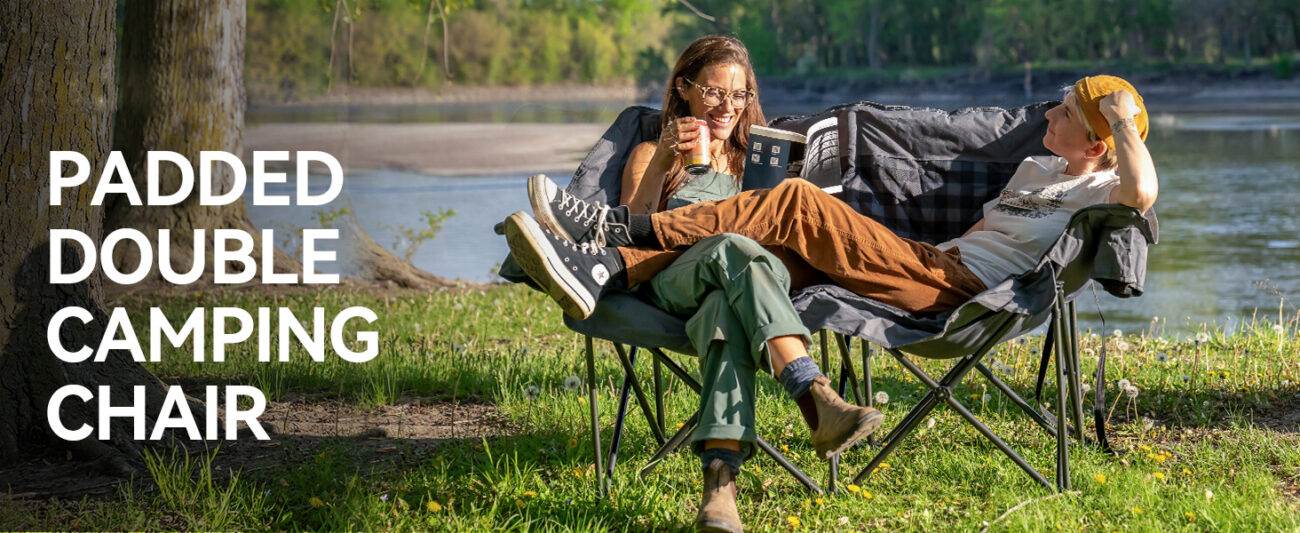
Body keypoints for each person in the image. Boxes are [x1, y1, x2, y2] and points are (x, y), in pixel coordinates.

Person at [513, 35, 883, 533]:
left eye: (739, 95)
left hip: (754, 286)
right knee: (729, 248)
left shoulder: (759, 159)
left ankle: (719, 488)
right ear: (683, 88)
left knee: (724, 305)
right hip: (675, 282)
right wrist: (665, 162)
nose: (728, 106)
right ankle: (810, 392)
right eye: (713, 92)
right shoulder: (651, 152)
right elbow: (632, 228)